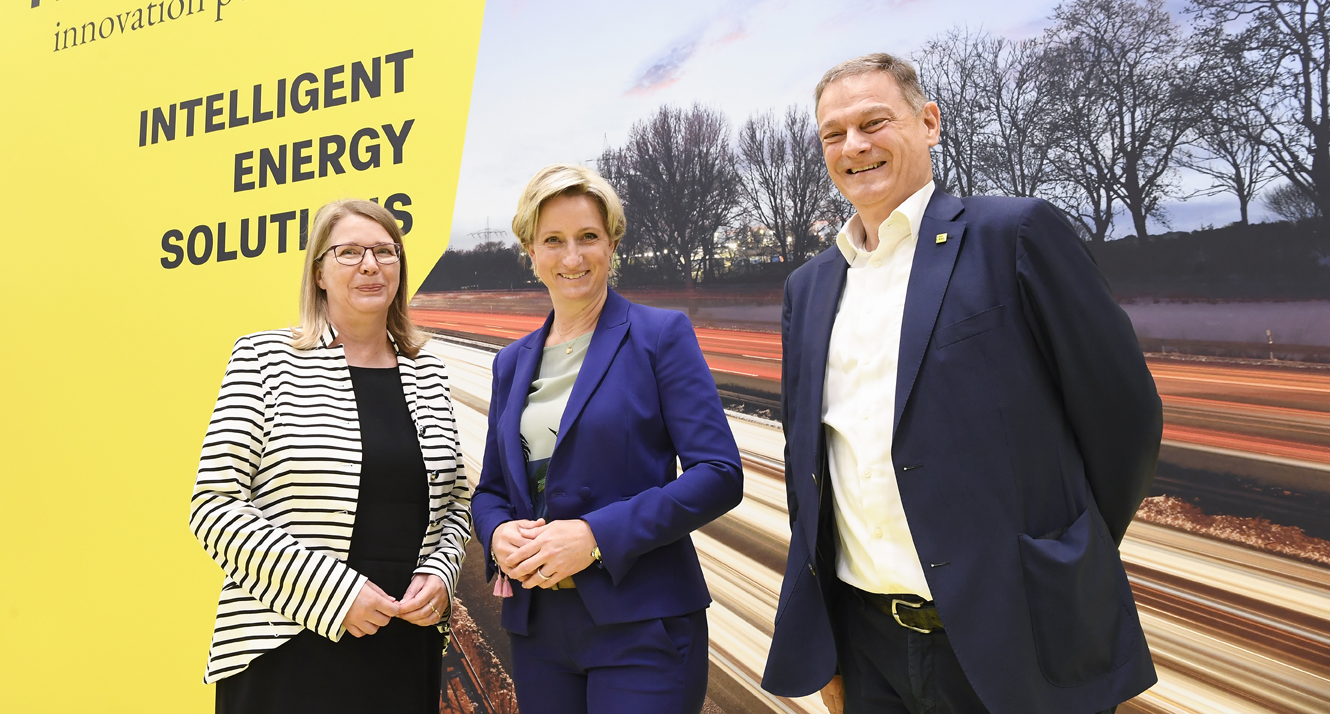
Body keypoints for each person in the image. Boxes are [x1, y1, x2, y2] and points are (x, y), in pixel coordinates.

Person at [761, 54, 1162, 714]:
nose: (853, 145)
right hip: (868, 650)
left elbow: (1126, 419)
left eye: (873, 122)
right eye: (834, 133)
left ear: (928, 123)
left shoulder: (1016, 235)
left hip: (1021, 642)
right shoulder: (808, 288)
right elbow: (809, 468)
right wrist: (824, 637)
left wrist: (1066, 560)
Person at [470, 163, 743, 714]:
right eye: (553, 241)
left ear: (612, 243)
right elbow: (491, 491)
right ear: (530, 252)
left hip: (642, 625)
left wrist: (593, 536)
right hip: (539, 630)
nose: (572, 258)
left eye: (588, 237)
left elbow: (719, 475)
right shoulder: (510, 362)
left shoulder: (660, 337)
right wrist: (497, 536)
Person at [189, 198, 471, 713]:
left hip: (404, 649)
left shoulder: (428, 372)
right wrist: (335, 597)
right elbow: (213, 507)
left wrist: (442, 575)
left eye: (385, 251)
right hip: (286, 646)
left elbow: (455, 505)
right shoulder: (263, 358)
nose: (370, 265)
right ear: (318, 272)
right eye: (349, 252)